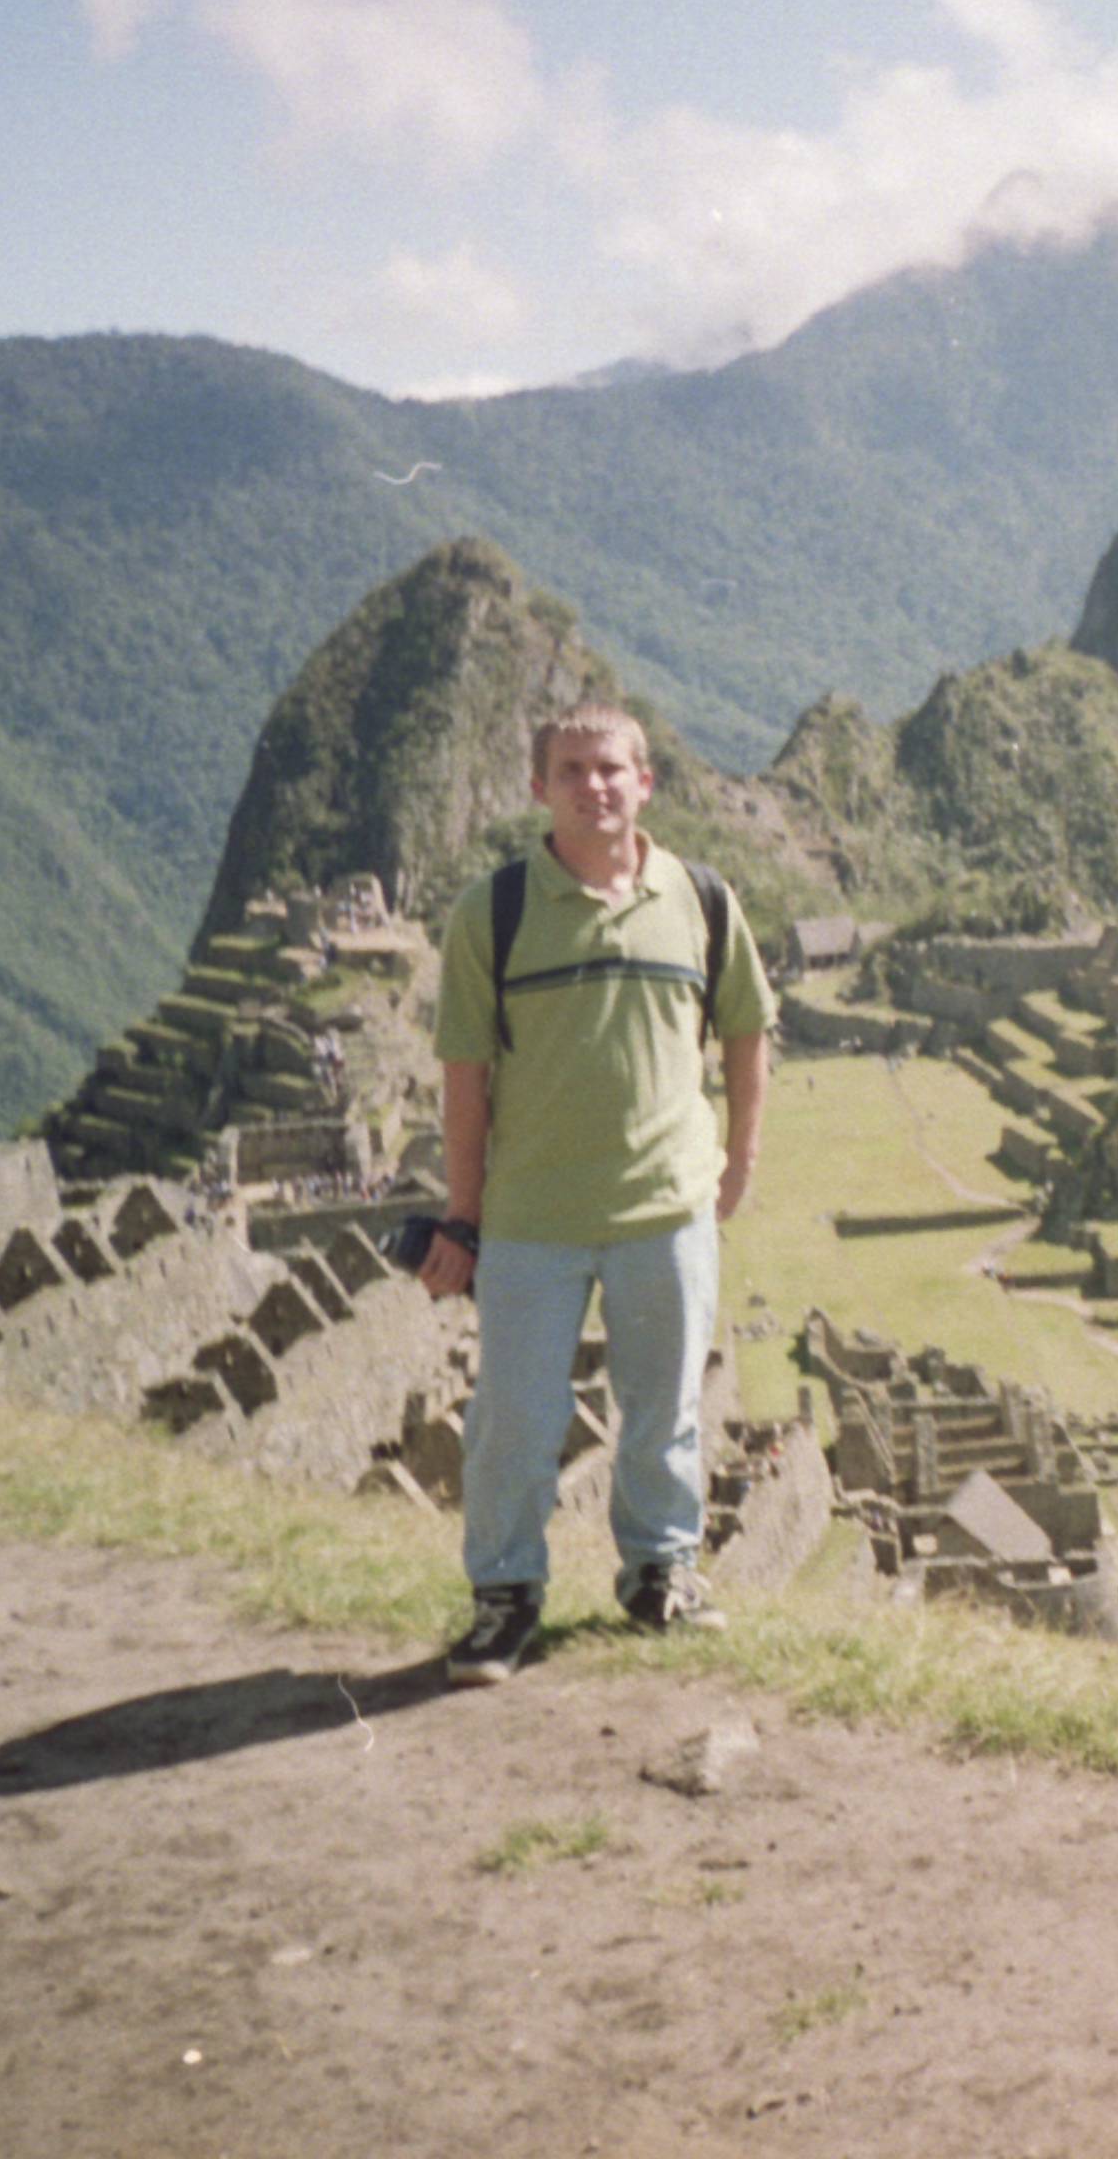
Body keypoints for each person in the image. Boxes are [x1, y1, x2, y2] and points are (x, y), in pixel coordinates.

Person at [416, 700, 775, 1687]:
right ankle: (504, 1597)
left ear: (645, 782)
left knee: (665, 1410)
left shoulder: (701, 900)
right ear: (540, 789)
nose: (594, 786)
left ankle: (661, 1574)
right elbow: (464, 1075)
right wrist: (462, 1213)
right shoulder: (492, 913)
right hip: (533, 1216)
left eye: (611, 768)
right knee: (512, 1421)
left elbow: (747, 1030)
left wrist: (740, 1161)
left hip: (666, 1207)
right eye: (571, 771)